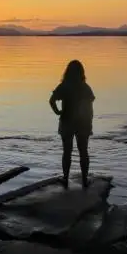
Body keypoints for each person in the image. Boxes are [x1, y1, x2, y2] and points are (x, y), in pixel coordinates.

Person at [49, 59, 95, 189]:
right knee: (83, 152)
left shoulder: (64, 86)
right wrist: (90, 122)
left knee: (67, 152)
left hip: (67, 121)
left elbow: (51, 100)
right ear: (82, 72)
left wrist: (58, 112)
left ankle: (65, 178)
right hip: (83, 123)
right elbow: (89, 108)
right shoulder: (85, 87)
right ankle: (85, 180)